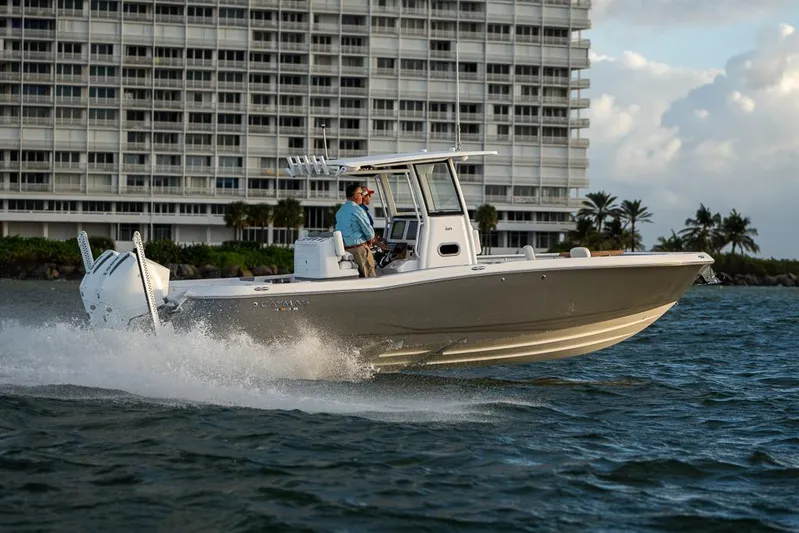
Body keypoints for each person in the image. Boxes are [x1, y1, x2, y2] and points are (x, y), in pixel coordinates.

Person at [335, 183, 376, 277]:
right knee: (369, 279)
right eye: (361, 194)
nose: (362, 196)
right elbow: (369, 232)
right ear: (355, 196)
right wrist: (371, 239)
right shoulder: (357, 210)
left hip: (347, 251)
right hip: (360, 250)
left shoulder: (340, 211)